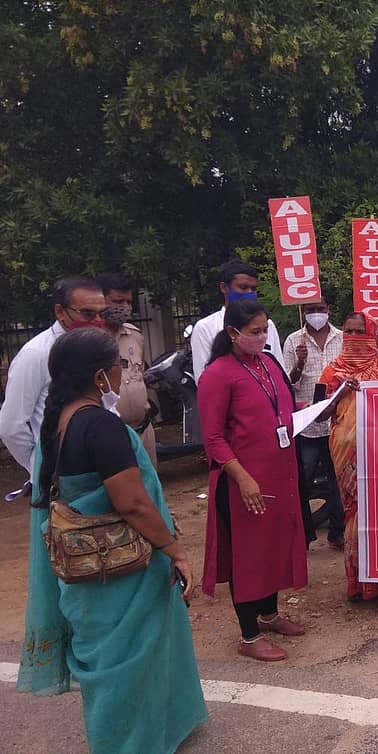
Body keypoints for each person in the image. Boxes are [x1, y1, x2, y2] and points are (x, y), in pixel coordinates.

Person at [18, 327, 207, 753]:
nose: (124, 373)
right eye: (119, 366)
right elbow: (135, 504)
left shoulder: (58, 421)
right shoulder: (101, 426)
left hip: (83, 570)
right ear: (102, 376)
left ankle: (131, 737)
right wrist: (176, 551)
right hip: (120, 569)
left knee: (108, 663)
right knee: (131, 662)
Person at [198, 300, 308, 662]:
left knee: (273, 546)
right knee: (248, 556)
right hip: (243, 481)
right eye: (255, 332)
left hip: (278, 474)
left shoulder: (269, 363)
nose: (263, 337)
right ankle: (248, 634)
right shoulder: (218, 374)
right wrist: (243, 479)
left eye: (265, 330)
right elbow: (213, 438)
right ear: (232, 333)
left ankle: (269, 614)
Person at [317, 312, 378, 602]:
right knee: (356, 514)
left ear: (373, 336)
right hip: (345, 453)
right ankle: (360, 583)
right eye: (350, 331)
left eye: (361, 332)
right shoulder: (331, 371)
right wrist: (339, 391)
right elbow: (318, 413)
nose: (355, 338)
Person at [0, 277, 107, 482]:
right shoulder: (35, 354)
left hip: (100, 467)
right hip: (58, 475)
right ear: (60, 312)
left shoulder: (96, 347)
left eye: (102, 313)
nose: (97, 320)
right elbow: (11, 426)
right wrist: (40, 465)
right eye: (87, 313)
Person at [283, 295, 345, 550]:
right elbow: (288, 384)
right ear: (303, 311)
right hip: (306, 426)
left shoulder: (342, 338)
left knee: (338, 482)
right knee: (301, 483)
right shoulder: (293, 341)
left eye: (320, 308)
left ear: (328, 309)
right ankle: (303, 536)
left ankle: (337, 533)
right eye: (311, 309)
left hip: (336, 422)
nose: (316, 313)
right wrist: (299, 364)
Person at [96, 273, 158, 467]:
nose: (124, 307)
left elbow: (139, 375)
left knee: (150, 491)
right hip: (110, 435)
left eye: (128, 302)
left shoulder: (134, 336)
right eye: (117, 301)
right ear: (100, 300)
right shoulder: (88, 341)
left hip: (143, 430)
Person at [191, 260, 284, 381]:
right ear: (224, 288)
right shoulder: (205, 327)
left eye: (253, 288)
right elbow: (203, 378)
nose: (249, 293)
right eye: (243, 287)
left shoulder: (267, 324)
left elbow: (279, 371)